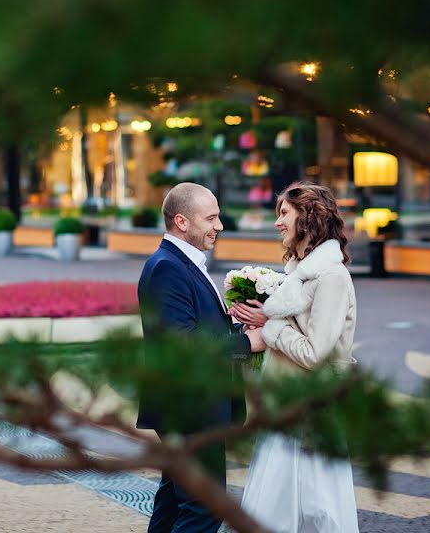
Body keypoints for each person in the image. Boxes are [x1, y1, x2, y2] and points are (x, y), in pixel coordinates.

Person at [229, 181, 360, 533]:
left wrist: (268, 328)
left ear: (309, 217)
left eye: (284, 213)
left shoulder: (331, 277)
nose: (277, 222)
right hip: (285, 405)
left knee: (321, 510)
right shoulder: (295, 276)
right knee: (272, 507)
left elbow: (316, 353)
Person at [137, 182, 266, 533]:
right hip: (189, 405)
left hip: (189, 403)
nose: (219, 226)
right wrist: (248, 344)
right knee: (204, 508)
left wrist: (239, 331)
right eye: (211, 218)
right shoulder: (168, 267)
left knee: (172, 501)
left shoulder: (182, 263)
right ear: (182, 221)